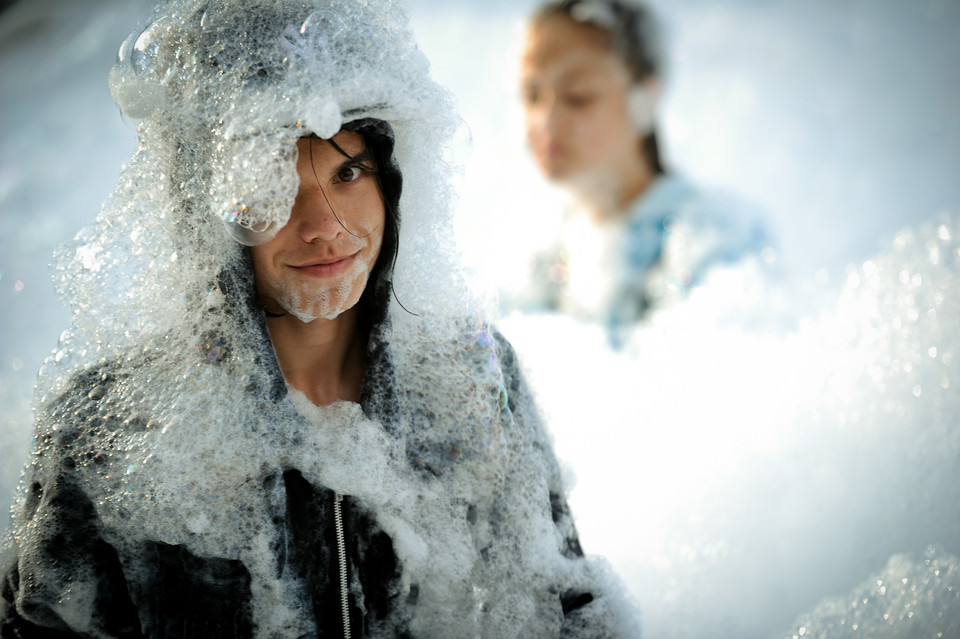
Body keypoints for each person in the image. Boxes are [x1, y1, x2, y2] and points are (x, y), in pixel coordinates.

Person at [0, 0, 638, 636]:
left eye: (348, 171)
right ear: (207, 213)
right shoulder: (111, 435)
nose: (325, 228)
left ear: (390, 178)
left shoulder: (472, 378)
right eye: (272, 188)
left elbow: (570, 608)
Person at [516, 0, 772, 338]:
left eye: (578, 97)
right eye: (532, 94)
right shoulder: (549, 243)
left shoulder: (718, 239)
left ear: (644, 98)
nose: (545, 121)